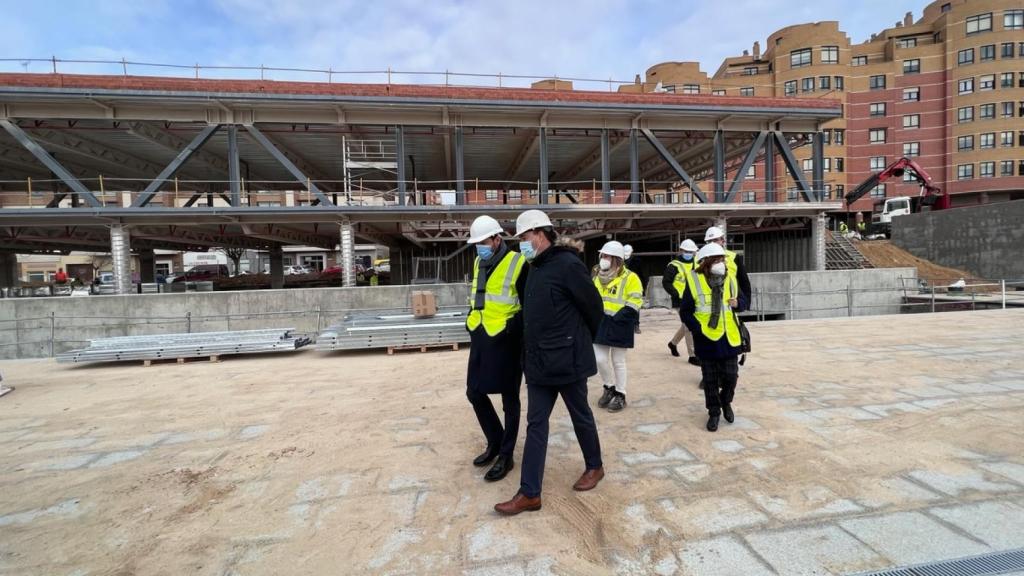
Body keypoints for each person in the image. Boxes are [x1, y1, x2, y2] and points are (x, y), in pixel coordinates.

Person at [494, 209, 605, 516]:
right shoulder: (532, 269)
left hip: (567, 360)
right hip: (539, 362)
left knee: (580, 415)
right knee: (536, 425)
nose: (521, 245)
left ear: (541, 235)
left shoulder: (568, 265)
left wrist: (577, 342)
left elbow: (593, 309)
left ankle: (594, 466)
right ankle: (530, 493)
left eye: (524, 238)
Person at [465, 215, 528, 482]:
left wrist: (513, 326)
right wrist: (470, 320)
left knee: (509, 399)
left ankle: (506, 455)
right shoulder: (480, 260)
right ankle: (495, 441)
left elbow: (529, 305)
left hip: (507, 340)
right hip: (481, 334)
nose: (478, 246)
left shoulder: (519, 262)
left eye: (482, 241)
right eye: (476, 242)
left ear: (496, 238)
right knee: (474, 392)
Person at [679, 243, 748, 432]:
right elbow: (685, 312)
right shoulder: (694, 280)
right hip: (706, 339)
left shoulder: (730, 278)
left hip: (729, 337)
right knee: (709, 380)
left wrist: (738, 303)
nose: (721, 263)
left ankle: (726, 402)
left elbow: (744, 302)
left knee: (731, 376)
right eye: (717, 260)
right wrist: (697, 330)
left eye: (722, 259)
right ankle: (714, 412)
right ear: (707, 263)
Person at [591, 241, 643, 413]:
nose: (603, 259)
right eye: (602, 256)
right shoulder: (597, 277)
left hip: (621, 323)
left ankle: (620, 394)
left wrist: (619, 318)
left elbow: (635, 301)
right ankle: (609, 387)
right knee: (600, 359)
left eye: (606, 256)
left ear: (616, 259)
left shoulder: (631, 278)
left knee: (618, 361)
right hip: (601, 324)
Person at [663, 239, 700, 366]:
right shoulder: (674, 265)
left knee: (686, 324)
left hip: (695, 298)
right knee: (689, 327)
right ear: (681, 251)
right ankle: (693, 355)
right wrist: (676, 294)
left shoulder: (697, 263)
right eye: (687, 251)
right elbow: (666, 282)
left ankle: (672, 343)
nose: (689, 253)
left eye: (691, 251)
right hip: (680, 300)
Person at [704, 226, 751, 312]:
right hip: (706, 303)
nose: (712, 243)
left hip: (729, 303)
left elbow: (744, 282)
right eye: (709, 241)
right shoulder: (698, 259)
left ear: (723, 241)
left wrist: (745, 304)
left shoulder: (733, 257)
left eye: (715, 240)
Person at [622, 244, 642, 335]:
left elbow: (639, 274)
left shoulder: (635, 261)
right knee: (634, 305)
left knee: (634, 305)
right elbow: (640, 274)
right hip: (629, 286)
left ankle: (635, 325)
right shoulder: (621, 261)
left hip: (632, 286)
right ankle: (635, 326)